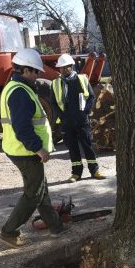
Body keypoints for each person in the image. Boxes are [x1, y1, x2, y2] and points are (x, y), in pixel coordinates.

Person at [0, 48, 65, 248]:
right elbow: (22, 128)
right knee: (34, 193)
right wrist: (39, 149)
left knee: (40, 189)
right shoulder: (19, 92)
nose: (37, 76)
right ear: (25, 70)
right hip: (25, 151)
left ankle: (56, 226)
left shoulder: (17, 87)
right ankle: (9, 231)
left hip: (21, 149)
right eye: (36, 72)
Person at [51, 54, 105, 183]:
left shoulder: (82, 80)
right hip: (67, 121)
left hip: (82, 120)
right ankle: (76, 173)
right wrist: (62, 116)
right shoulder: (56, 83)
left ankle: (94, 170)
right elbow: (53, 103)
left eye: (66, 68)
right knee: (73, 148)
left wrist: (85, 112)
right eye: (61, 68)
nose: (63, 70)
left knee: (87, 146)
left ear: (71, 67)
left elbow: (91, 97)